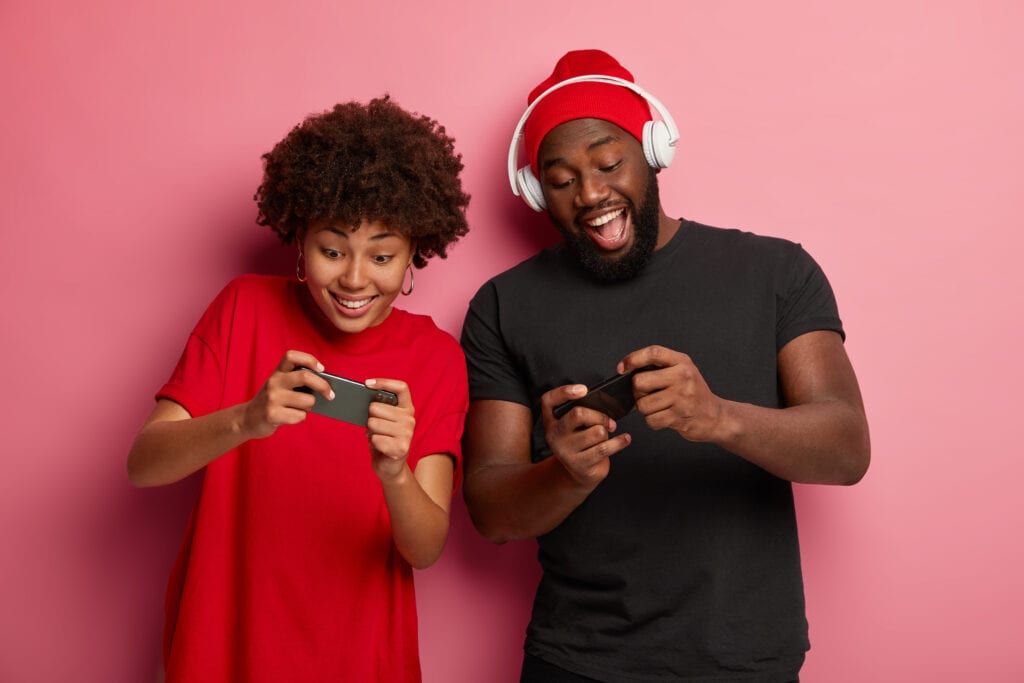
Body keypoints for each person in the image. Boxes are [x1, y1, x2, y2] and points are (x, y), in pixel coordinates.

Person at [460, 49, 870, 682]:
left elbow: (847, 449)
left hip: (743, 660)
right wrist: (564, 472)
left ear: (653, 149)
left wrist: (718, 418)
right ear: (536, 190)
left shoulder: (777, 273)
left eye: (607, 162)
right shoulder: (502, 305)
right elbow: (491, 511)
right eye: (562, 178)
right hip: (576, 661)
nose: (591, 193)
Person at [128, 96, 470, 682]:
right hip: (225, 649)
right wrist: (246, 420)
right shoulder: (243, 309)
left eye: (382, 255)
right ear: (299, 241)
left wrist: (394, 472)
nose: (356, 279)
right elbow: (143, 465)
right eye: (332, 250)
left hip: (362, 660)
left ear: (416, 249)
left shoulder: (436, 357)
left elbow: (426, 548)